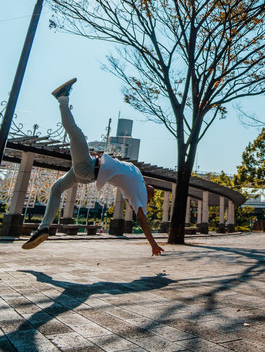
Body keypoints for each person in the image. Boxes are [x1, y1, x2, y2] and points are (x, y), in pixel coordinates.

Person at [22, 78, 164, 256]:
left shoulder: (138, 195)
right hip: (89, 167)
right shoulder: (138, 176)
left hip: (89, 170)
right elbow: (115, 165)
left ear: (147, 199)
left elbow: (142, 219)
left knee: (76, 134)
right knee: (56, 188)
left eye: (153, 195)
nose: (153, 191)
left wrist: (153, 244)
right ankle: (43, 229)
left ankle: (62, 98)